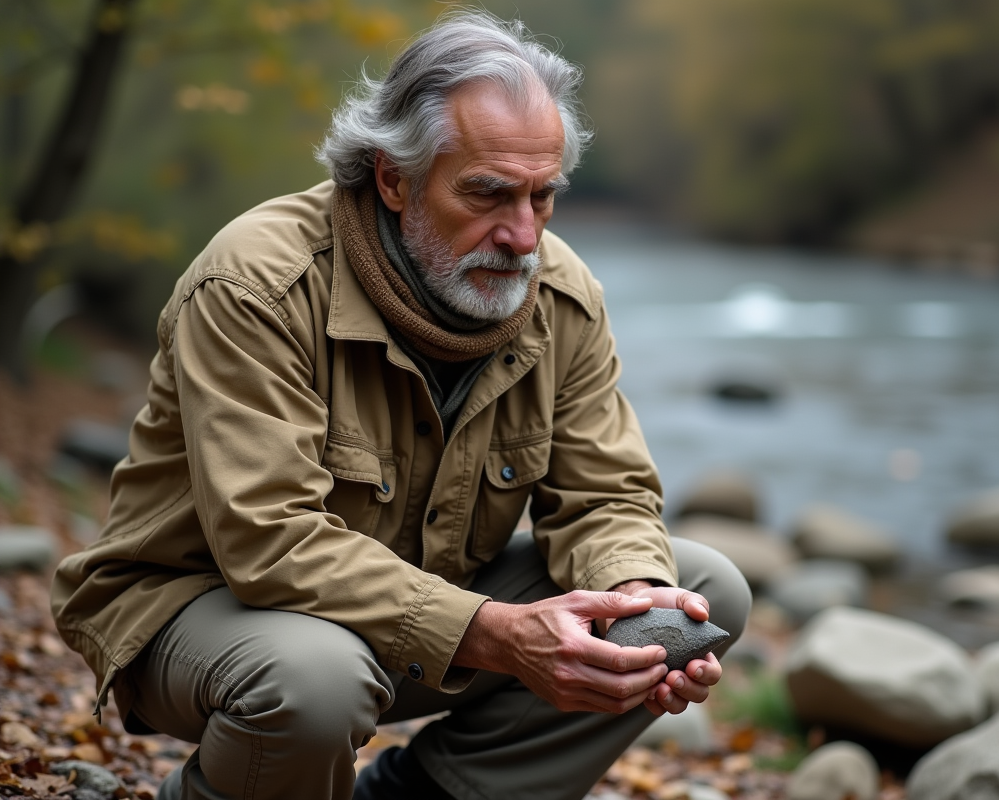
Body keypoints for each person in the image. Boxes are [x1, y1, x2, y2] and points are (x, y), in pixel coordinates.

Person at [51, 10, 750, 800]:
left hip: (415, 620)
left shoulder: (561, 295)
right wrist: (496, 633)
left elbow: (607, 495)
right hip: (199, 611)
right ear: (392, 177)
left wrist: (634, 600)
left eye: (542, 197)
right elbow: (267, 539)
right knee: (315, 677)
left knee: (696, 596)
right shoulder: (255, 284)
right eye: (487, 194)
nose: (523, 235)